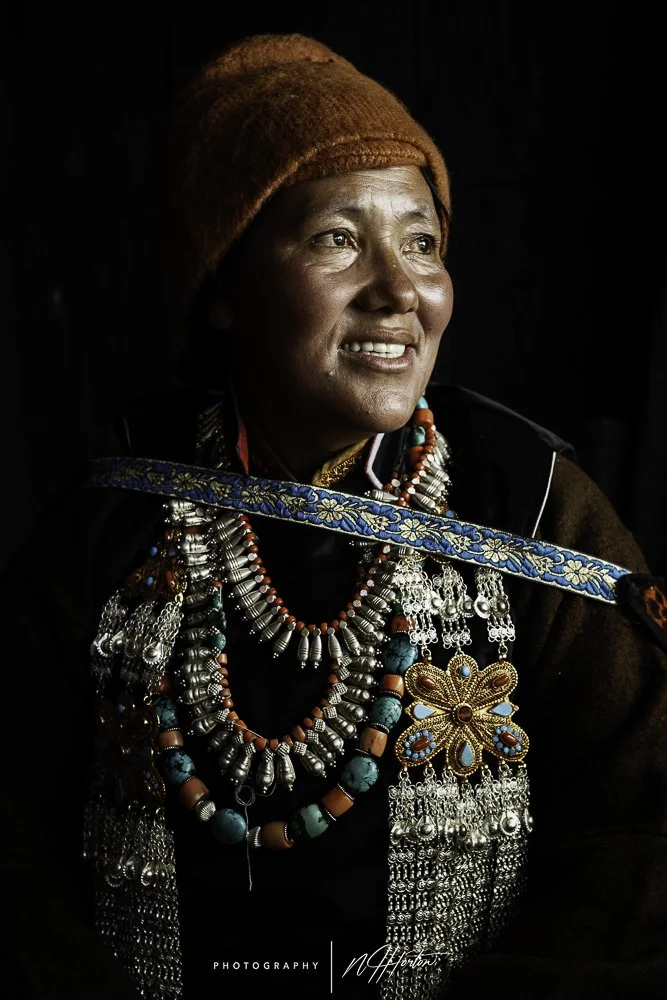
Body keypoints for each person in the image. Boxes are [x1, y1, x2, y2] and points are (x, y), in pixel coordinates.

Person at [1, 32, 666, 1000]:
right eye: (337, 239)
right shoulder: (111, 519)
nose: (401, 292)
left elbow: (643, 823)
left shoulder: (527, 503)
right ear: (226, 285)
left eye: (423, 242)